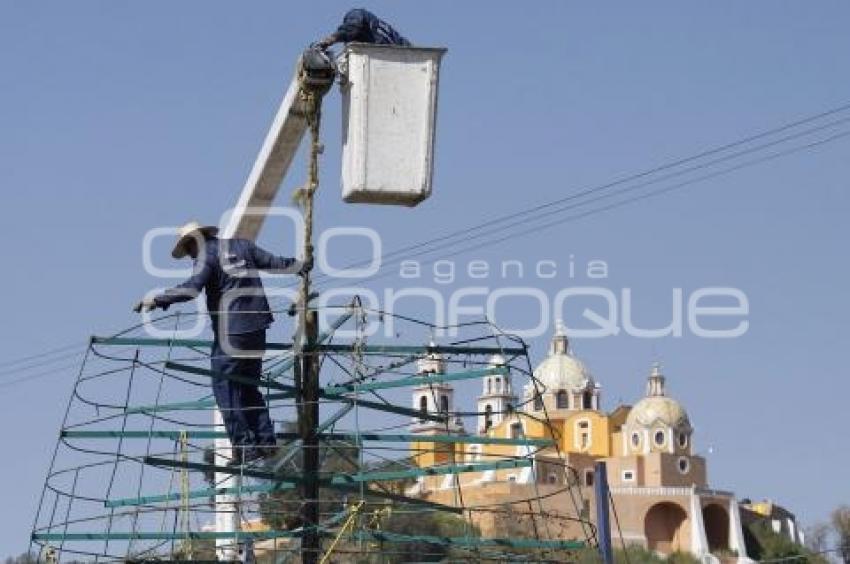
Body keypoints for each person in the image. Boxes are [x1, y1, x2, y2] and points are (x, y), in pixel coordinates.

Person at [134, 221, 310, 465]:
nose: (190, 256)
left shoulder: (205, 256)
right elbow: (273, 262)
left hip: (232, 331)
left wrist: (158, 299)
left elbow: (192, 289)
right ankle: (266, 442)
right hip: (258, 326)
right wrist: (299, 265)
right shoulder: (242, 246)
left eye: (188, 251)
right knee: (248, 385)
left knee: (225, 388)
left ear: (192, 243)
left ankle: (245, 448)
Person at [315, 8, 411, 49]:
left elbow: (352, 27)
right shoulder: (392, 34)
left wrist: (331, 39)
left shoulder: (355, 14)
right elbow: (412, 51)